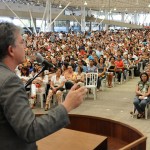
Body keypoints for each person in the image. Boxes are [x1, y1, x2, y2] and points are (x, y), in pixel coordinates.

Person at [0, 22, 87, 150]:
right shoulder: (9, 82)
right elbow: (30, 130)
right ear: (11, 50)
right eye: (21, 42)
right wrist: (67, 105)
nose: (25, 45)